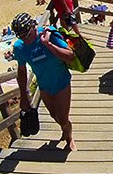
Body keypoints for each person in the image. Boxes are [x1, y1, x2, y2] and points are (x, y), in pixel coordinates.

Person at [11, 13, 77, 151]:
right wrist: (24, 95)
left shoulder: (49, 35)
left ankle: (69, 138)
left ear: (34, 27)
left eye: (27, 35)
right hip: (44, 87)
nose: (25, 39)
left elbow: (70, 56)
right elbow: (22, 71)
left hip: (62, 82)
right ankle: (65, 130)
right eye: (21, 37)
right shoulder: (19, 47)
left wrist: (48, 44)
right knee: (54, 115)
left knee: (63, 118)